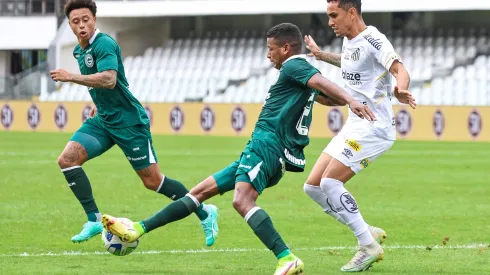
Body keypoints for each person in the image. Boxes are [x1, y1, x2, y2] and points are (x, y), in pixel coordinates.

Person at [102, 22, 375, 275]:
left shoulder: (294, 65)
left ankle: (285, 257)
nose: (268, 55)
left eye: (271, 49)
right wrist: (340, 98)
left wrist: (350, 99)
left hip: (267, 145)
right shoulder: (297, 76)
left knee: (241, 201)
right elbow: (325, 95)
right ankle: (137, 229)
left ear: (286, 48)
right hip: (265, 148)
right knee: (199, 192)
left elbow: (320, 83)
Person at [50, 0, 218, 245]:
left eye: (86, 19)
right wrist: (98, 102)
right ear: (70, 25)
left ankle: (205, 213)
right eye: (76, 22)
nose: (82, 25)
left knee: (153, 182)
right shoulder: (79, 50)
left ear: (94, 20)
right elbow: (104, 84)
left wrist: (70, 77)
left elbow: (109, 79)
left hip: (129, 123)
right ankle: (94, 219)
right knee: (67, 160)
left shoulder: (104, 43)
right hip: (104, 120)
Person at [302, 0, 417, 272]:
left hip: (375, 127)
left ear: (351, 12)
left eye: (334, 15)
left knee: (330, 183)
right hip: (355, 123)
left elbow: (400, 69)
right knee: (313, 187)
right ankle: (366, 230)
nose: (330, 22)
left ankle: (368, 246)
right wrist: (321, 56)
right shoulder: (350, 40)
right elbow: (349, 61)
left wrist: (400, 89)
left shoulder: (374, 39)